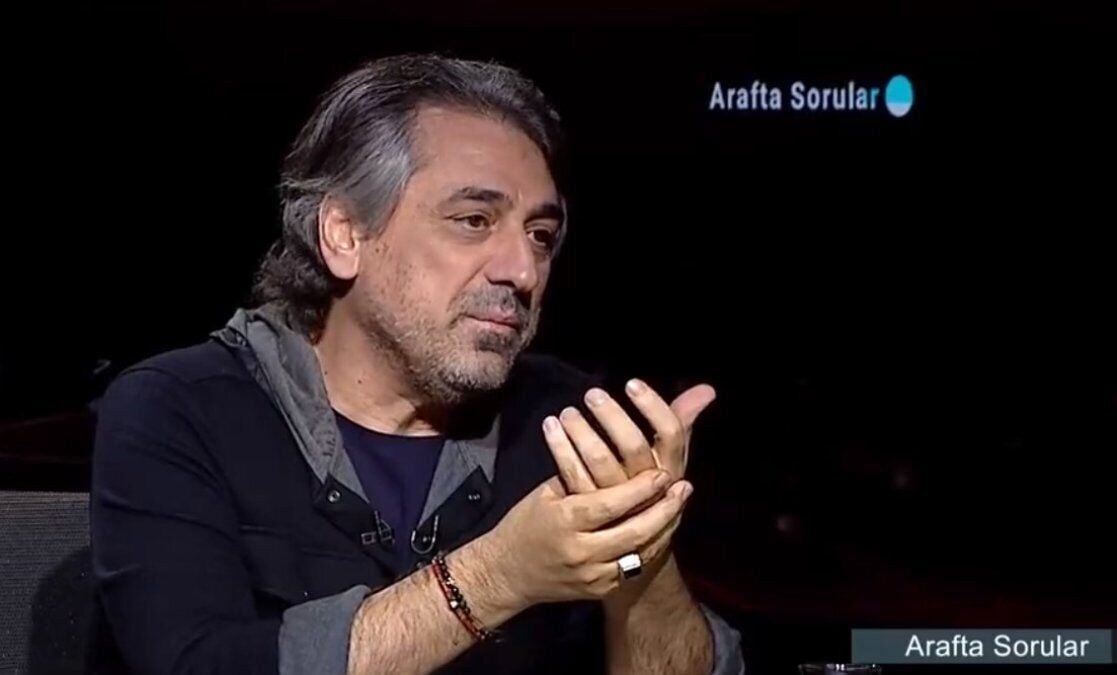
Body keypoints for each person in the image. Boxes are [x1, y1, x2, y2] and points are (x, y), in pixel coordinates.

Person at [89, 54, 744, 674]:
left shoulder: (572, 425)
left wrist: (641, 549)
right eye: (474, 220)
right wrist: (499, 575)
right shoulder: (180, 408)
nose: (522, 271)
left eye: (540, 236)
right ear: (345, 235)